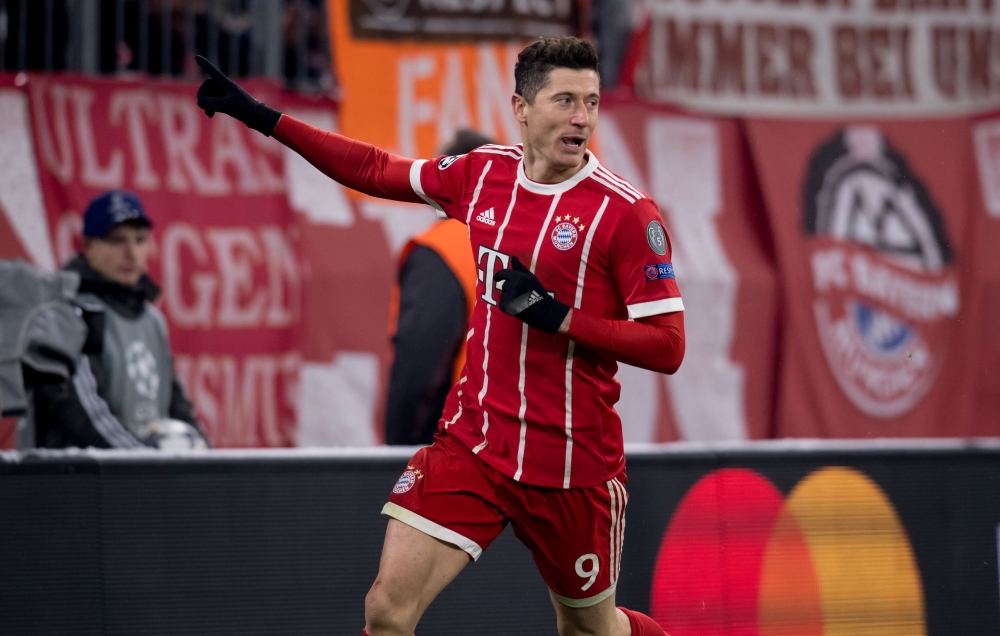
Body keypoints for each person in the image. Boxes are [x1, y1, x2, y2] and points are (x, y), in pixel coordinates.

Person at [195, 36, 683, 636]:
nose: (581, 117)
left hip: (572, 465)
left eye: (591, 102)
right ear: (522, 107)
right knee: (386, 611)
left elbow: (668, 346)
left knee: (590, 629)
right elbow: (375, 169)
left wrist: (557, 316)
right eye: (564, 101)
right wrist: (264, 118)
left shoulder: (627, 213)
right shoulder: (483, 173)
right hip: (474, 445)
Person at [31, 190, 207, 449]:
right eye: (117, 240)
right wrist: (139, 461)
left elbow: (177, 405)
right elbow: (84, 415)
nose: (131, 253)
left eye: (140, 240)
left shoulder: (152, 320)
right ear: (88, 247)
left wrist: (206, 457)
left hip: (137, 470)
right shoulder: (68, 314)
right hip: (81, 473)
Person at [385, 129, 493, 446]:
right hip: (524, 442)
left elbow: (418, 367)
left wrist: (398, 455)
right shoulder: (529, 245)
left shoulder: (445, 248)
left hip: (464, 444)